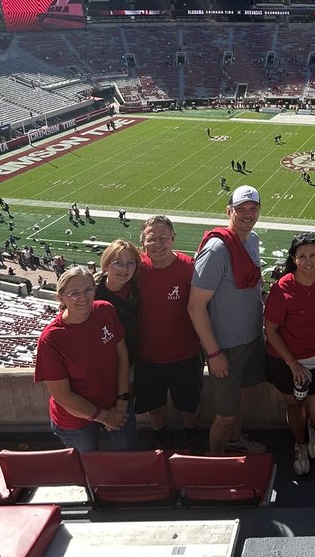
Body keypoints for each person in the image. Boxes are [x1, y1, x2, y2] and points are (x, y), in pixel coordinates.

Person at [189, 186, 267, 455]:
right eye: (241, 209)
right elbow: (195, 307)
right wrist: (213, 352)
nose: (247, 214)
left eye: (253, 208)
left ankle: (236, 438)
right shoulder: (216, 250)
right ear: (229, 211)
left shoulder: (253, 239)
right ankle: (216, 462)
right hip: (226, 347)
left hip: (253, 337)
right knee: (224, 416)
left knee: (247, 394)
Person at [34, 266, 136, 450]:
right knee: (87, 466)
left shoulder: (105, 310)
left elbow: (122, 356)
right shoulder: (51, 339)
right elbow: (63, 396)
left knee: (127, 458)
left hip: (116, 403)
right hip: (75, 419)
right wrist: (106, 417)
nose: (83, 297)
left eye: (88, 289)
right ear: (61, 297)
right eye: (74, 293)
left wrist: (121, 403)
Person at [264, 233, 315, 477]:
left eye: (313, 255)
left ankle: (314, 431)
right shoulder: (283, 287)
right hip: (287, 360)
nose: (308, 261)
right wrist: (293, 363)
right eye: (302, 256)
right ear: (294, 259)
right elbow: (270, 330)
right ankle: (300, 444)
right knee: (295, 407)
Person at [135, 216, 204, 445]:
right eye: (151, 238)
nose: (158, 244)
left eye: (163, 238)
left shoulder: (188, 268)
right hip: (147, 356)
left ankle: (191, 437)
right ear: (142, 242)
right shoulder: (135, 269)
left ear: (173, 238)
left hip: (186, 354)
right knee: (154, 405)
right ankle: (160, 439)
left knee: (189, 404)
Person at [95, 239, 142, 368]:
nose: (124, 269)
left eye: (130, 263)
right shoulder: (91, 293)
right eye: (118, 263)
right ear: (105, 264)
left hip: (136, 359)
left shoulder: (138, 287)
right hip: (103, 363)